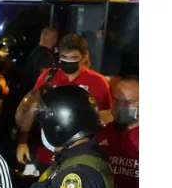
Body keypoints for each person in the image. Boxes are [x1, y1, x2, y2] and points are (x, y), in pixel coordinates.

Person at [16, 34, 112, 170]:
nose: (68, 62)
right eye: (64, 58)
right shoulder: (48, 77)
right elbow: (31, 110)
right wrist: (23, 142)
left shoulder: (98, 82)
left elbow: (106, 117)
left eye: (73, 58)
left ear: (84, 57)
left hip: (81, 154)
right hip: (48, 150)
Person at [19, 27, 58, 97]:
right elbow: (45, 79)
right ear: (54, 39)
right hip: (35, 98)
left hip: (27, 95)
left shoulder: (36, 52)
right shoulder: (45, 55)